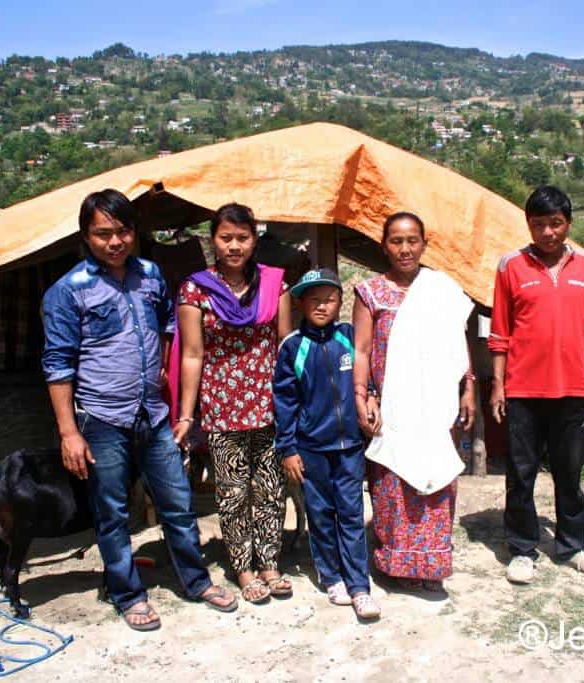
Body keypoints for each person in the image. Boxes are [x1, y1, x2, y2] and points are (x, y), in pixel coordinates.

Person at [41, 189, 236, 632]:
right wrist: (69, 432)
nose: (115, 242)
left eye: (123, 231)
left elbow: (166, 327)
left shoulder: (149, 275)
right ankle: (128, 594)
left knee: (178, 502)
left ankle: (195, 580)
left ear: (135, 232)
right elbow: (57, 366)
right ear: (86, 236)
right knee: (113, 512)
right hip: (102, 418)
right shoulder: (68, 291)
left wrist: (161, 377)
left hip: (152, 413)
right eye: (103, 233)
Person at [488, 185, 584, 585]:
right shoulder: (510, 266)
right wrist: (498, 385)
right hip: (523, 390)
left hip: (573, 390)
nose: (547, 232)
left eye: (555, 223)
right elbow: (500, 333)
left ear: (569, 223)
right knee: (520, 474)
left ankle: (573, 546)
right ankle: (522, 549)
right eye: (539, 224)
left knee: (569, 473)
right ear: (528, 224)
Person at [173, 203, 292, 604]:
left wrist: (293, 402)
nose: (234, 246)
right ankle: (243, 568)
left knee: (271, 488)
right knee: (232, 492)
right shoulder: (195, 290)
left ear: (254, 240)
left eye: (243, 238)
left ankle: (270, 563)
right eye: (226, 238)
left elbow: (285, 347)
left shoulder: (276, 285)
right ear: (213, 240)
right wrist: (187, 414)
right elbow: (192, 354)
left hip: (269, 403)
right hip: (221, 407)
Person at [353, 212, 475, 592]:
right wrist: (362, 395)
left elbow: (458, 345)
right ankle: (394, 564)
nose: (404, 249)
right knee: (393, 483)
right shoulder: (371, 292)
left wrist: (468, 387)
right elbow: (361, 350)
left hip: (435, 407)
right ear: (384, 246)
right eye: (396, 241)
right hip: (392, 408)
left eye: (412, 241)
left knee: (437, 481)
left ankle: (431, 564)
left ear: (424, 244)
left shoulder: (442, 291)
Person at [274, 268, 381, 620]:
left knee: (351, 513)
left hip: (349, 446)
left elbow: (367, 374)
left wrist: (372, 396)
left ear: (340, 302)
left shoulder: (349, 337)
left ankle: (359, 585)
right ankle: (332, 576)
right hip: (311, 448)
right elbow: (285, 401)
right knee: (320, 514)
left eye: (330, 299)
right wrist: (288, 448)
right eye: (314, 300)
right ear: (300, 304)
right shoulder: (293, 346)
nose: (322, 306)